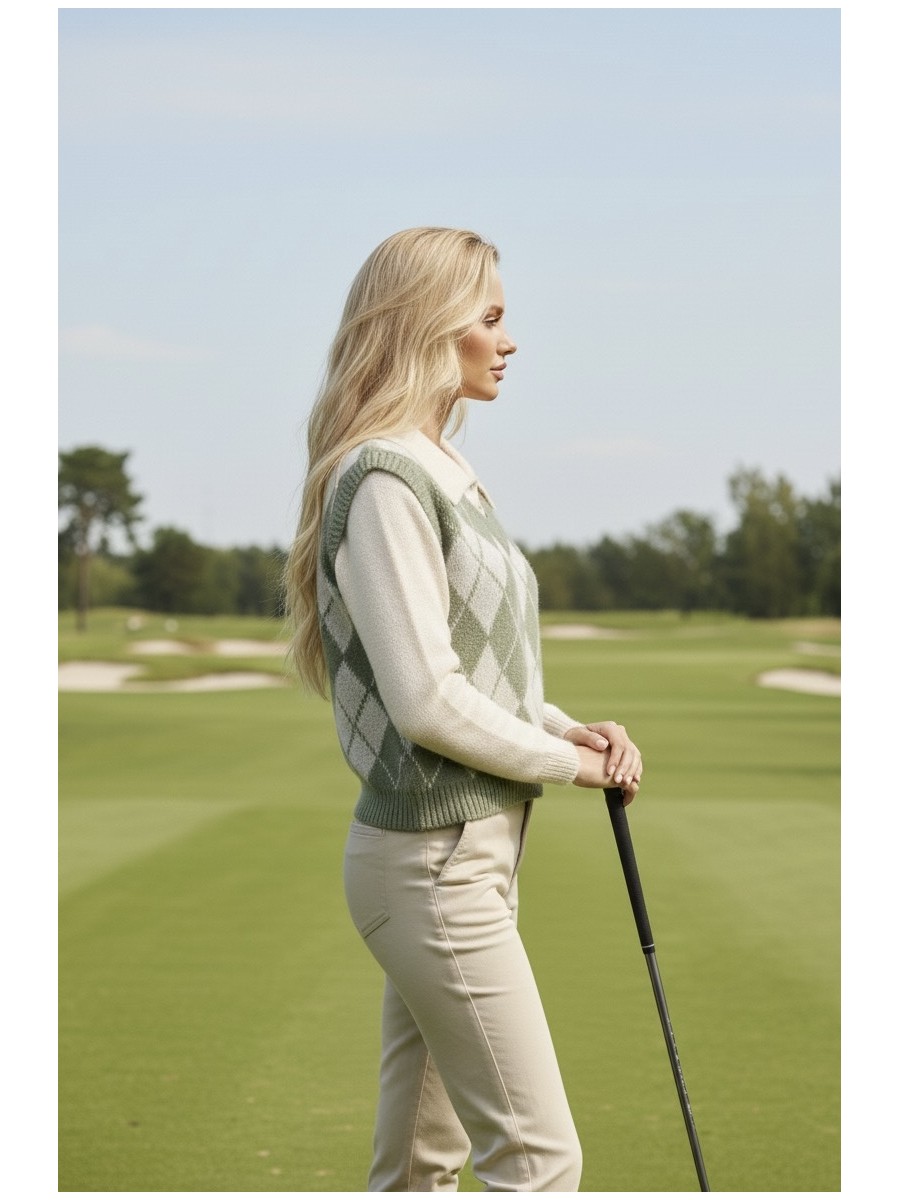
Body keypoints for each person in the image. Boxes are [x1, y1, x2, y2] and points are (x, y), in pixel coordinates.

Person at [285, 227, 642, 1192]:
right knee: (539, 1160)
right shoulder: (385, 477)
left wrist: (566, 729)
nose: (508, 340)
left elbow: (477, 676)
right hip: (433, 867)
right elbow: (427, 702)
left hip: (462, 860)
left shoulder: (438, 468)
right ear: (429, 325)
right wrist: (569, 766)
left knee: (418, 1168)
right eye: (489, 317)